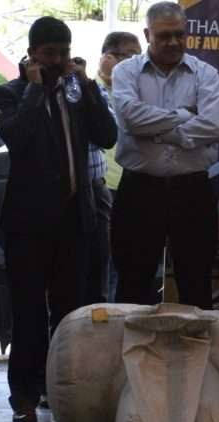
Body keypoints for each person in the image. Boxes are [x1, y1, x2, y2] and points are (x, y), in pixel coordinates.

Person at [0, 16, 117, 422]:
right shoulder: (8, 93)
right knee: (27, 312)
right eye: (50, 54)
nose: (58, 61)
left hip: (74, 222)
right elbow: (16, 137)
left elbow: (107, 135)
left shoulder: (75, 92)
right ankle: (24, 396)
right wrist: (34, 88)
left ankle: (60, 391)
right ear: (32, 54)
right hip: (28, 224)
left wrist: (89, 85)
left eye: (64, 53)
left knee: (68, 313)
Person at [110, 1, 219, 310]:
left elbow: (214, 126)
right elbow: (130, 119)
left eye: (179, 34)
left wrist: (158, 131)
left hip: (193, 191)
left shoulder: (206, 73)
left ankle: (195, 345)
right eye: (164, 35)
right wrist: (186, 116)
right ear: (147, 34)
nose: (173, 42)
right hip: (139, 190)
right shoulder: (125, 71)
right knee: (132, 287)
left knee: (196, 286)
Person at [84, 31, 140, 305]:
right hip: (102, 186)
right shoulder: (88, 90)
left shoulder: (136, 90)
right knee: (102, 263)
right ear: (108, 57)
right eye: (130, 57)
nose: (137, 63)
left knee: (128, 260)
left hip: (132, 183)